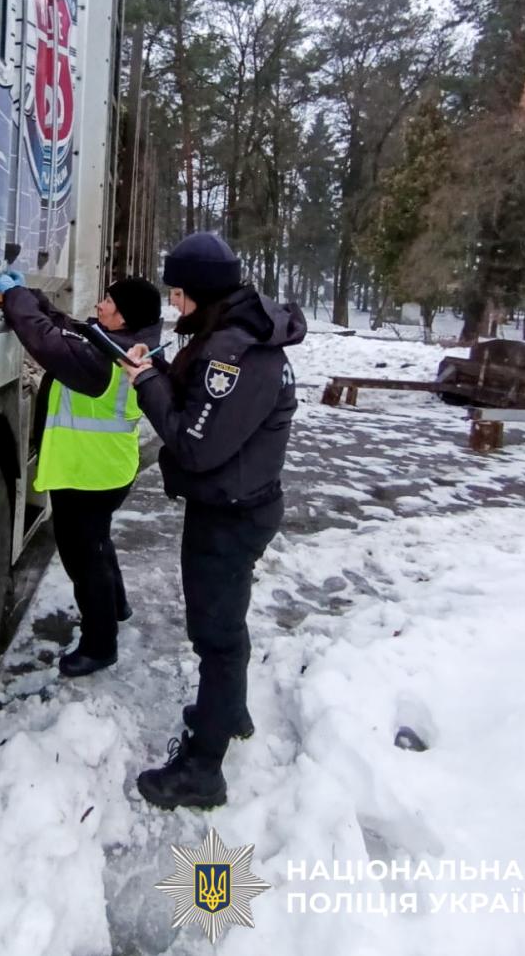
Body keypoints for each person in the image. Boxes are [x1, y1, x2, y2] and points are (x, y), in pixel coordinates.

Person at [121, 232, 306, 808]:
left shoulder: (235, 354)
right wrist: (156, 368)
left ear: (200, 292)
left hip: (229, 516)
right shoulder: (233, 334)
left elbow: (196, 445)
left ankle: (203, 771)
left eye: (178, 293)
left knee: (217, 638)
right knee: (227, 625)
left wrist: (145, 384)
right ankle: (227, 712)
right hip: (239, 505)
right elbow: (204, 404)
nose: (173, 303)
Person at [0, 270, 163, 677]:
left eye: (108, 301)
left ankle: (100, 645)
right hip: (106, 468)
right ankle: (116, 605)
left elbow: (46, 341)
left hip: (89, 473)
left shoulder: (104, 359)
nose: (99, 304)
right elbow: (68, 328)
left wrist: (15, 298)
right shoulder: (123, 342)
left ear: (123, 316)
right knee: (97, 544)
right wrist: (30, 296)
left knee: (85, 561)